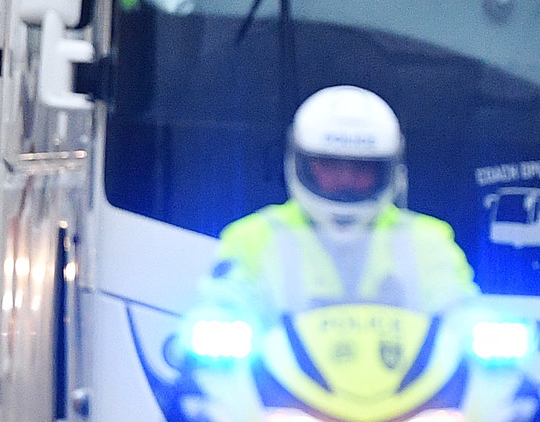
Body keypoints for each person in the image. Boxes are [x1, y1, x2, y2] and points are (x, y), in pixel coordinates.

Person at [201, 86, 472, 322]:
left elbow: (457, 304)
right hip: (283, 382)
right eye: (329, 167)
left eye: (362, 170)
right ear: (300, 163)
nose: (346, 180)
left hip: (411, 382)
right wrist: (219, 318)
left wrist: (472, 323)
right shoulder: (254, 236)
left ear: (388, 171)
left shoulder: (426, 239)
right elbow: (228, 298)